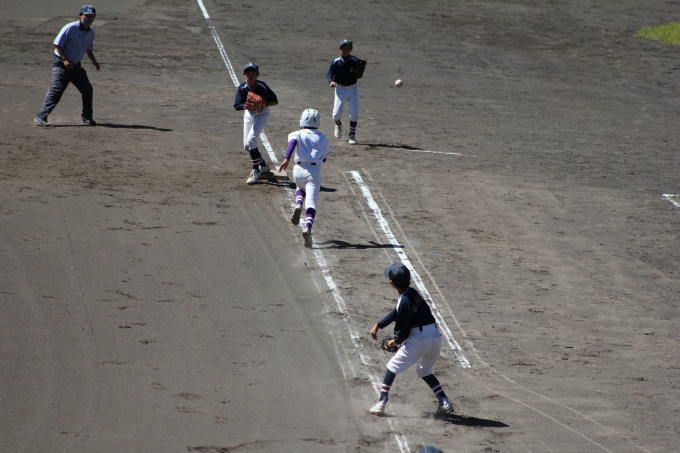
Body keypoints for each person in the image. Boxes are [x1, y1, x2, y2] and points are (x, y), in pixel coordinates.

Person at [369, 263, 455, 415]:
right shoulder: (413, 293)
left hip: (420, 340)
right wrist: (379, 325)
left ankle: (382, 401)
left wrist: (392, 343)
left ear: (392, 282)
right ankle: (444, 401)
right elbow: (396, 312)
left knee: (392, 367)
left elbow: (402, 335)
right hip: (435, 337)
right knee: (424, 370)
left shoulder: (403, 301)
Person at [35, 4, 101, 127]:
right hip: (62, 65)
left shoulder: (90, 32)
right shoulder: (70, 28)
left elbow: (88, 49)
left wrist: (94, 62)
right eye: (86, 16)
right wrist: (65, 60)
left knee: (87, 89)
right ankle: (41, 116)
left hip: (76, 67)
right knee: (56, 90)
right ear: (80, 15)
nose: (88, 18)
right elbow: (57, 44)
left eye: (91, 16)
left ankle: (87, 116)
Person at [277, 109, 332, 248]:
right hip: (314, 172)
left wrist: (286, 159)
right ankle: (307, 227)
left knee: (300, 187)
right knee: (312, 203)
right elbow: (325, 158)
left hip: (298, 170)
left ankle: (298, 203)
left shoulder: (296, 133)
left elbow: (292, 143)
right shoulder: (323, 138)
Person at [233, 62, 278, 184]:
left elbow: (275, 101)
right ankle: (263, 165)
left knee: (251, 140)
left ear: (257, 75)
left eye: (253, 73)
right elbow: (236, 105)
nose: (250, 75)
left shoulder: (262, 86)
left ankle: (255, 171)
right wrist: (246, 106)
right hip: (249, 113)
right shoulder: (242, 88)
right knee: (247, 146)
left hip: (262, 113)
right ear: (244, 75)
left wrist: (264, 104)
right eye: (248, 73)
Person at [326, 39, 362, 145]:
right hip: (340, 88)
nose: (345, 50)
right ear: (339, 49)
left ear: (351, 49)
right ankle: (338, 124)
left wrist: (359, 71)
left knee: (354, 113)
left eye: (347, 48)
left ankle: (352, 135)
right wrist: (331, 82)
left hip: (352, 88)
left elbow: (359, 74)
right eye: (343, 48)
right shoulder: (336, 61)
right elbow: (329, 75)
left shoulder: (355, 61)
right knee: (336, 114)